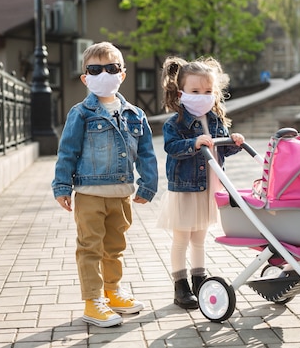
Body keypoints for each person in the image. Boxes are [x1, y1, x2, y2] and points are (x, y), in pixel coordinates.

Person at [51, 41, 158, 327]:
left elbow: (146, 153)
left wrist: (148, 185)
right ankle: (92, 301)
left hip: (121, 194)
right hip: (89, 194)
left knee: (115, 247)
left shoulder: (136, 114)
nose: (104, 74)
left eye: (111, 68)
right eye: (95, 70)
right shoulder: (81, 113)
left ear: (122, 74)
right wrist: (62, 186)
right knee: (90, 247)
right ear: (85, 78)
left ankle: (112, 292)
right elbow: (67, 151)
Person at [157, 56, 245, 309]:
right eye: (195, 91)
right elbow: (172, 147)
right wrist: (193, 143)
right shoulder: (175, 124)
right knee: (181, 238)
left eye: (208, 91)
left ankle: (199, 278)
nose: (203, 96)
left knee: (199, 238)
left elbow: (222, 151)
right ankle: (180, 284)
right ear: (182, 92)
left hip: (208, 189)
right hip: (186, 190)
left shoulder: (215, 120)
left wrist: (233, 142)